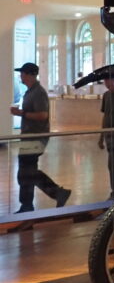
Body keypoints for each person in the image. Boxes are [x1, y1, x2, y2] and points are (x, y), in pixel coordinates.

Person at [10, 62, 70, 213]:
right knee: (26, 171)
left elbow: (43, 115)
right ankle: (29, 204)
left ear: (29, 75)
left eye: (22, 73)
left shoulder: (38, 92)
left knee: (27, 172)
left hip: (35, 139)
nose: (20, 76)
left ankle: (54, 194)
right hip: (29, 138)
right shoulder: (31, 91)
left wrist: (21, 113)